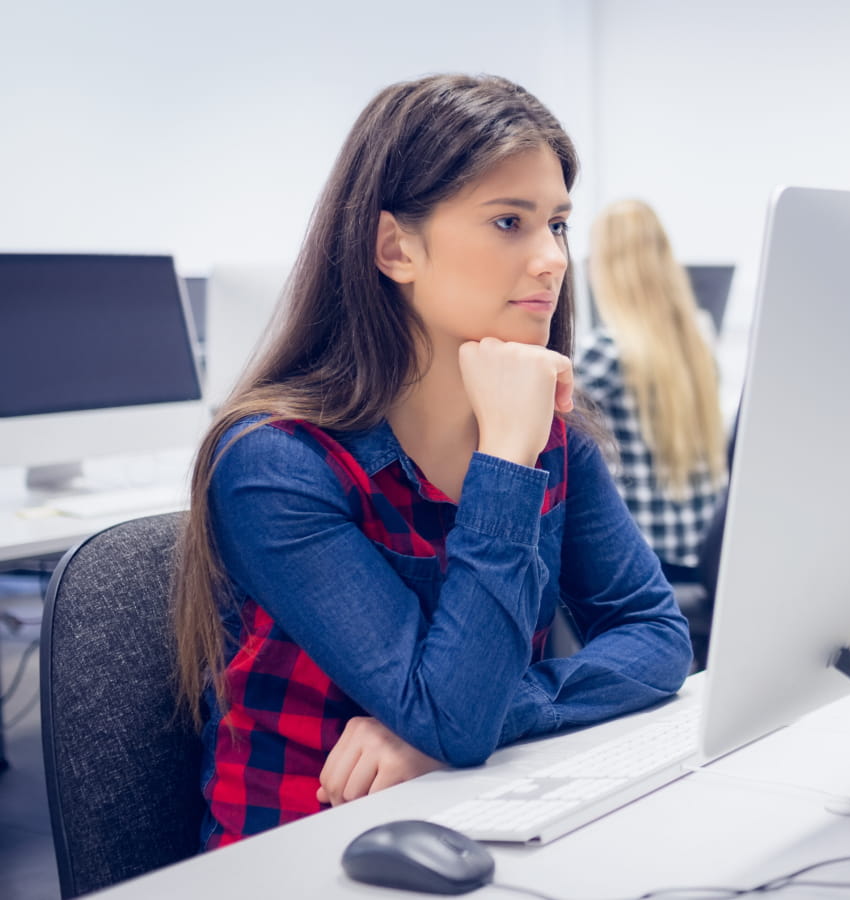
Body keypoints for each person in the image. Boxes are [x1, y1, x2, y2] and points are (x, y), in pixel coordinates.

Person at [172, 74, 692, 850]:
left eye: (557, 224)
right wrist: (507, 464)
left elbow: (656, 636)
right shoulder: (277, 465)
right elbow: (453, 715)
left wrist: (468, 720)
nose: (552, 259)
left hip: (490, 810)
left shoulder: (555, 435)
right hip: (307, 848)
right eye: (509, 222)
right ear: (395, 248)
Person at [576, 199, 727, 591]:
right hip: (701, 556)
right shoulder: (697, 342)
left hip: (643, 561)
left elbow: (536, 414)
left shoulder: (608, 349)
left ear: (606, 267)